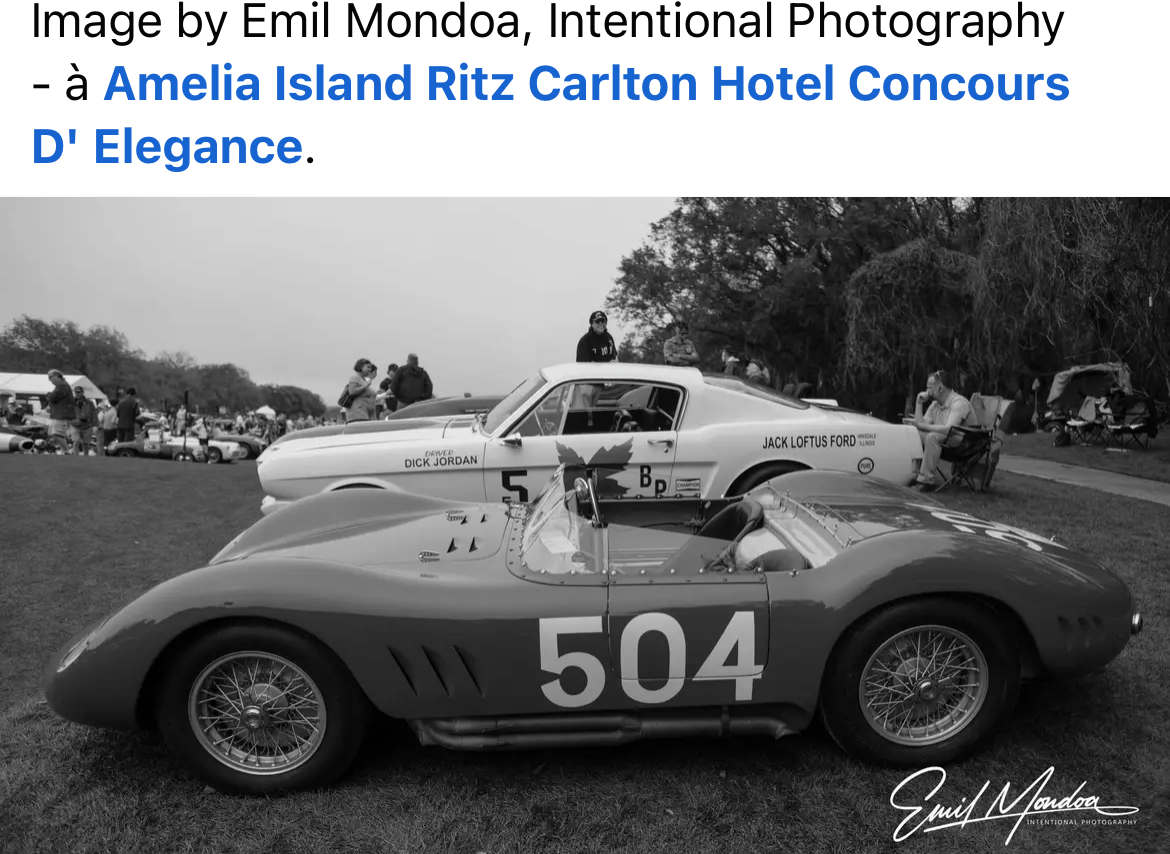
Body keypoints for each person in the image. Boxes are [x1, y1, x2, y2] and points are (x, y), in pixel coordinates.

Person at [911, 369, 973, 491]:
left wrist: (923, 427)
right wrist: (919, 403)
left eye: (929, 388)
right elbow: (921, 424)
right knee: (915, 433)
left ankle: (926, 481)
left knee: (932, 436)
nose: (926, 391)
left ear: (940, 388)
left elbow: (948, 429)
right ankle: (914, 475)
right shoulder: (936, 404)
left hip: (963, 444)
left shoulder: (959, 403)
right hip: (945, 440)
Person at [45, 370, 77, 453]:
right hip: (59, 414)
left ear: (56, 376)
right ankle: (64, 451)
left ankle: (67, 451)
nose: (49, 380)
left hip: (62, 415)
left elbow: (53, 397)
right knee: (56, 434)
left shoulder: (62, 385)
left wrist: (49, 396)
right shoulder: (61, 385)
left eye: (50, 377)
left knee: (56, 434)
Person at [70, 386, 97, 456]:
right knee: (75, 442)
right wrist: (72, 421)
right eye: (76, 392)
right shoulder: (71, 403)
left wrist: (95, 425)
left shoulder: (89, 403)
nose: (77, 394)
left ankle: (85, 457)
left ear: (82, 392)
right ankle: (75, 457)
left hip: (87, 426)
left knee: (85, 444)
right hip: (75, 426)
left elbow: (94, 413)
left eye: (78, 392)